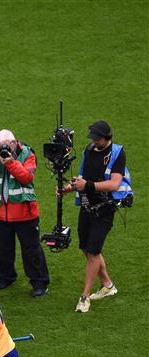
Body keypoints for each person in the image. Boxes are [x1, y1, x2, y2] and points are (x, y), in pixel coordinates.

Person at [60, 120, 128, 313]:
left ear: (107, 138)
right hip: (87, 207)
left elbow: (114, 184)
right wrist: (68, 188)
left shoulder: (117, 154)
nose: (94, 141)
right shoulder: (88, 150)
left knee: (93, 251)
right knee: (87, 249)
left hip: (105, 209)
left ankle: (85, 296)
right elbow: (82, 179)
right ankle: (107, 285)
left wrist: (87, 186)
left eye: (97, 138)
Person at [0, 129, 50, 297]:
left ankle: (39, 283)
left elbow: (27, 178)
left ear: (12, 143)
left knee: (31, 250)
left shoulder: (27, 154)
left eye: (3, 145)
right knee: (2, 249)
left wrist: (10, 162)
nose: (0, 148)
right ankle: (6, 277)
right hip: (0, 213)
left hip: (24, 213)